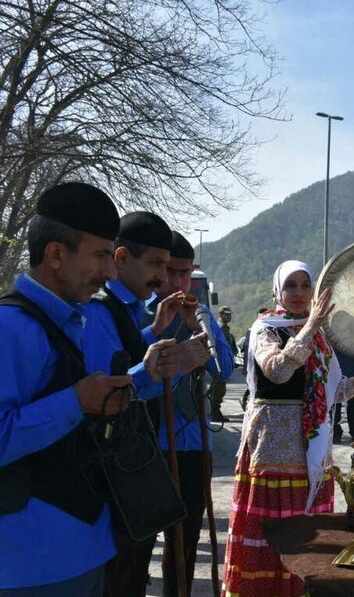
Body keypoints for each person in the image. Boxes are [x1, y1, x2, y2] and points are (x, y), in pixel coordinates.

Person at [0, 183, 173, 596]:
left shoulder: (75, 322)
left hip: (86, 548)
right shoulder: (9, 329)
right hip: (32, 563)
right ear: (56, 254)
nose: (110, 272)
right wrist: (76, 402)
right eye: (99, 255)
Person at [222, 260, 354, 597]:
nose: (300, 293)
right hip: (273, 450)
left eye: (305, 285)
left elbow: (336, 392)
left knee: (309, 539)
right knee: (275, 533)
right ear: (278, 291)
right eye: (291, 286)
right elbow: (277, 371)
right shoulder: (266, 329)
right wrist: (310, 327)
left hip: (312, 455)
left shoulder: (317, 337)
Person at [81, 211, 211, 597]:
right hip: (112, 471)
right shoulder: (98, 309)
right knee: (119, 575)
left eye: (170, 266)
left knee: (135, 570)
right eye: (157, 264)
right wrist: (161, 369)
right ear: (122, 259)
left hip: (140, 460)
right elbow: (105, 389)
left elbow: (125, 355)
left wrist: (156, 331)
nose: (163, 276)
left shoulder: (138, 310)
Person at [143, 232, 234, 597]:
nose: (178, 282)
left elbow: (225, 368)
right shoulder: (142, 313)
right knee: (143, 536)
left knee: (186, 538)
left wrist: (199, 327)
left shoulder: (202, 313)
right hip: (150, 444)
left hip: (195, 442)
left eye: (185, 274)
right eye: (171, 272)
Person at [331, 352, 354, 442]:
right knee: (335, 406)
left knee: (353, 405)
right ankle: (336, 432)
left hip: (352, 374)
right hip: (335, 373)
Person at [213, 306, 237, 422]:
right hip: (220, 361)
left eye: (230, 314)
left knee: (220, 388)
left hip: (224, 361)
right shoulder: (220, 327)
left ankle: (215, 411)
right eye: (227, 314)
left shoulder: (224, 328)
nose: (229, 316)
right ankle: (215, 413)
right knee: (218, 389)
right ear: (221, 315)